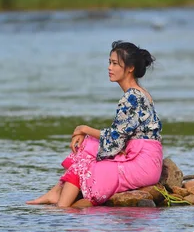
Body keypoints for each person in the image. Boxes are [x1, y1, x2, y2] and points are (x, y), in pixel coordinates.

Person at [26, 40, 163, 207]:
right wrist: (85, 134)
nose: (109, 68)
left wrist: (84, 128)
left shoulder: (132, 97)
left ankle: (62, 207)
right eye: (109, 62)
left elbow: (114, 140)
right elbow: (119, 138)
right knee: (87, 145)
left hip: (142, 165)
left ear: (130, 68)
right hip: (144, 159)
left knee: (85, 163)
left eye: (114, 63)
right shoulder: (141, 93)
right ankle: (57, 194)